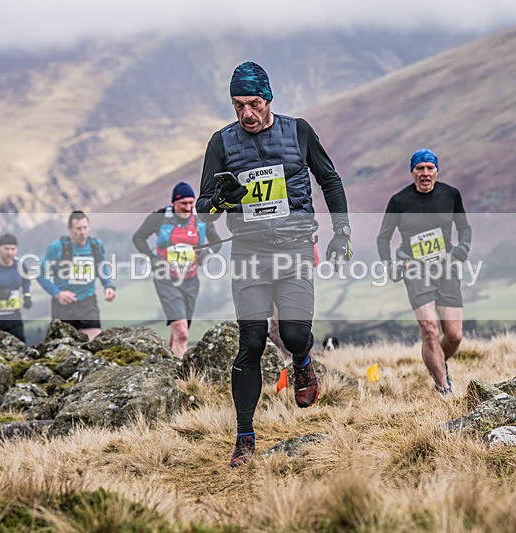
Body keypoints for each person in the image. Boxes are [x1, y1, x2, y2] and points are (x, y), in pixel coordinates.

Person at [195, 61, 353, 467]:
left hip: (295, 248)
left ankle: (302, 362)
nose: (246, 113)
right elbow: (203, 208)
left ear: (268, 99)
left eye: (254, 103)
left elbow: (330, 180)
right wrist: (222, 199)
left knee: (296, 334)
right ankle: (244, 437)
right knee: (251, 343)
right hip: (248, 253)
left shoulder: (298, 131)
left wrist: (342, 232)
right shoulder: (221, 143)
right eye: (238, 105)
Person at [376, 148, 472, 396]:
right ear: (412, 172)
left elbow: (464, 228)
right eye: (420, 168)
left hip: (446, 267)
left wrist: (462, 248)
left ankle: (436, 361)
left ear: (437, 171)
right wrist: (390, 265)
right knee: (429, 329)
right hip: (414, 268)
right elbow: (383, 238)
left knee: (454, 336)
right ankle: (443, 389)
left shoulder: (450, 195)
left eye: (430, 168)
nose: (425, 173)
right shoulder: (399, 201)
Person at [132, 181, 223, 358]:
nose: (187, 207)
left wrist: (207, 253)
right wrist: (152, 258)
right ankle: (181, 373)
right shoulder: (159, 218)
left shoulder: (201, 218)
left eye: (191, 203)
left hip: (191, 280)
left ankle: (166, 362)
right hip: (166, 279)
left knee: (180, 330)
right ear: (173, 202)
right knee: (182, 333)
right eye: (183, 203)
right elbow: (138, 238)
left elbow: (217, 242)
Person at [38, 210, 116, 341]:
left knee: (94, 342)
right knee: (64, 346)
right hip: (64, 305)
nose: (83, 232)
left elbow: (101, 267)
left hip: (88, 303)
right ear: (70, 229)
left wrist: (108, 285)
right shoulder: (56, 248)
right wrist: (57, 293)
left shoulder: (95, 246)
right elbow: (40, 273)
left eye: (85, 227)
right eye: (78, 228)